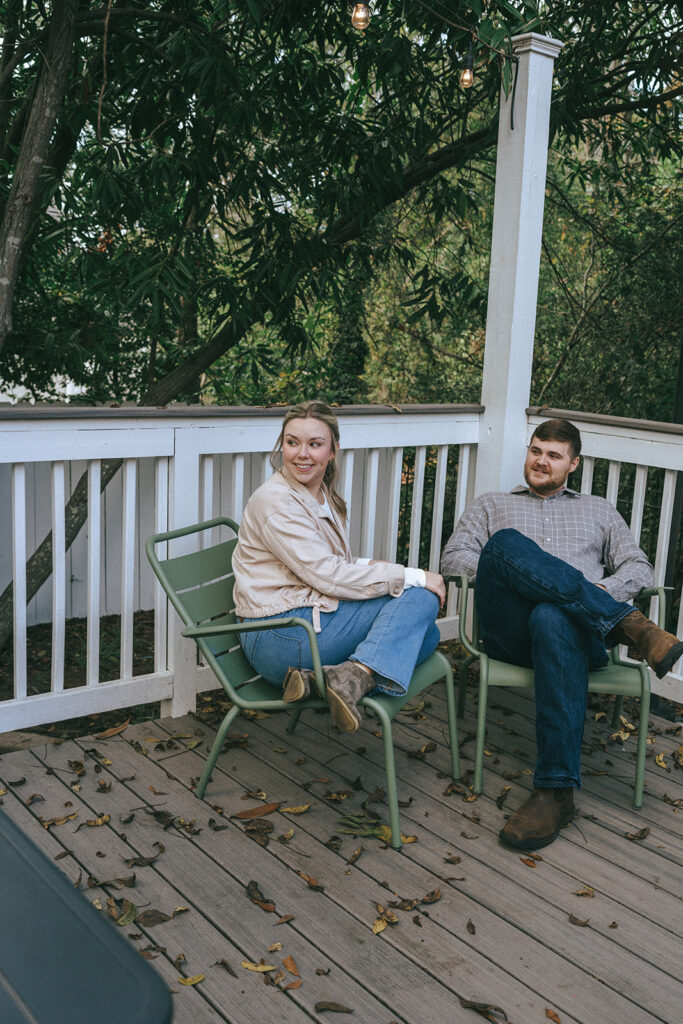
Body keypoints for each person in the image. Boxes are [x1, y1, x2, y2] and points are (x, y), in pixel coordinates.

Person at [441, 417, 683, 850]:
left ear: (573, 463)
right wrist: (517, 576)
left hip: (576, 636)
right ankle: (630, 626)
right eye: (536, 451)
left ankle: (555, 792)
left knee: (553, 614)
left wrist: (591, 593)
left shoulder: (599, 510)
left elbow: (638, 567)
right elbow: (455, 559)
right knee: (505, 545)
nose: (541, 461)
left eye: (553, 455)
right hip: (510, 634)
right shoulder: (492, 504)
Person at [232, 400, 446, 732]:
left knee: (427, 635)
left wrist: (371, 564)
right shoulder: (276, 502)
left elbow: (325, 564)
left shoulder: (320, 496)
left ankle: (336, 678)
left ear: (332, 451)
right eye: (292, 442)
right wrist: (412, 575)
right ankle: (356, 674)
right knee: (421, 601)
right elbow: (329, 575)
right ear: (282, 446)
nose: (302, 453)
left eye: (314, 444)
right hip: (280, 636)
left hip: (301, 626)